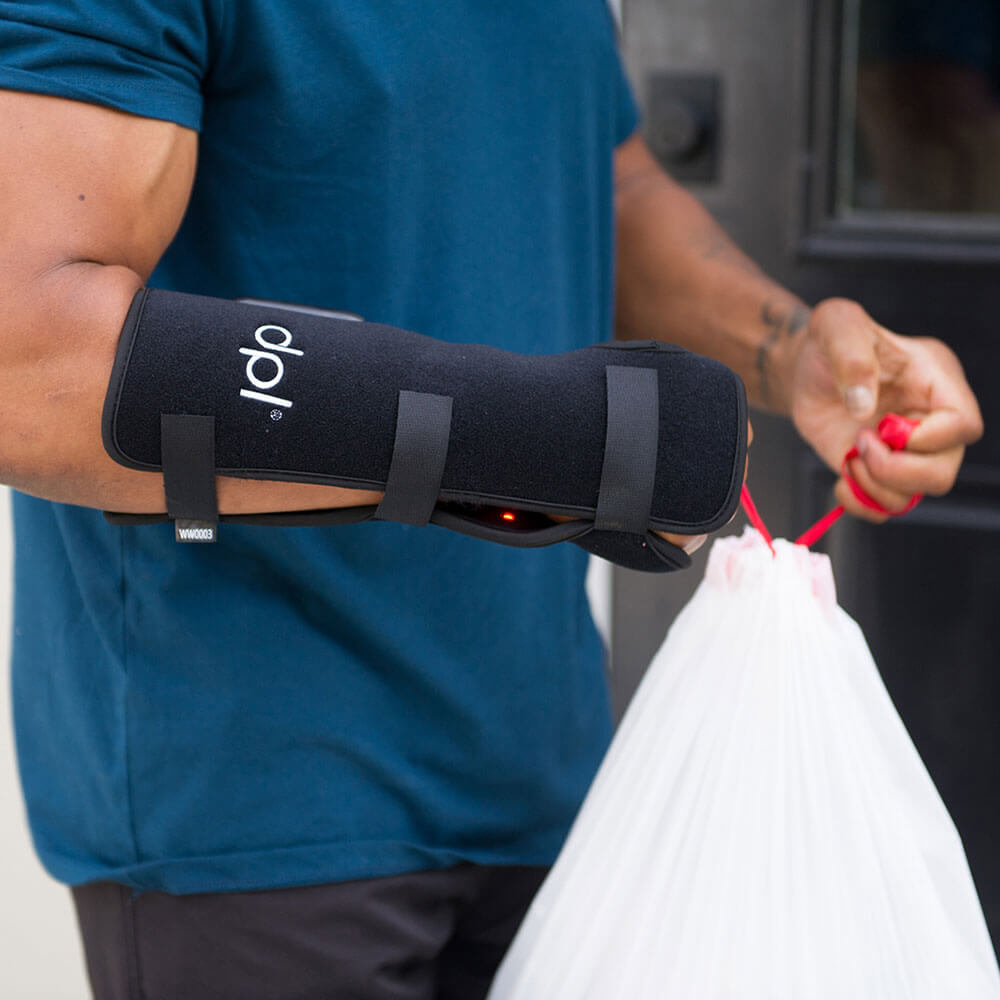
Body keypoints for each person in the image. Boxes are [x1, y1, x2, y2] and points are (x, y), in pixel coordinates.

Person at [0, 3, 982, 999]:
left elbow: (607, 186)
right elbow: (24, 363)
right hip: (257, 793)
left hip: (549, 764)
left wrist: (788, 346)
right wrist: (562, 438)